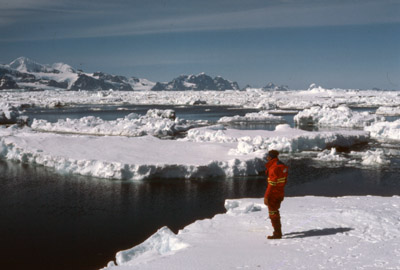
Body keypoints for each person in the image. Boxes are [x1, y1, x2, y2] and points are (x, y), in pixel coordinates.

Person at [264, 150, 288, 239]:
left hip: (273, 194)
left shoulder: (274, 167)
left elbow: (272, 184)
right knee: (275, 211)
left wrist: (266, 196)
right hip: (280, 192)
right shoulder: (282, 166)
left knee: (273, 212)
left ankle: (277, 233)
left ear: (271, 157)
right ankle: (278, 231)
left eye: (268, 156)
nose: (267, 158)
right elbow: (284, 181)